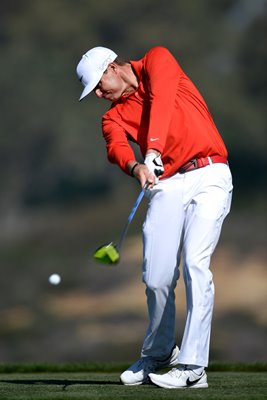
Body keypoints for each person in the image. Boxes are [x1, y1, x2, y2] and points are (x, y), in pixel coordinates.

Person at [76, 46, 233, 389]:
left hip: (210, 173)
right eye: (95, 94)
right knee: (157, 276)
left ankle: (193, 367)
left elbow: (161, 101)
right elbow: (115, 146)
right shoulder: (112, 115)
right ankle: (161, 353)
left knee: (195, 263)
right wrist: (137, 167)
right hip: (166, 182)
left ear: (112, 67)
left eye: (100, 86)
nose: (101, 95)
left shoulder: (157, 60)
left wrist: (153, 150)